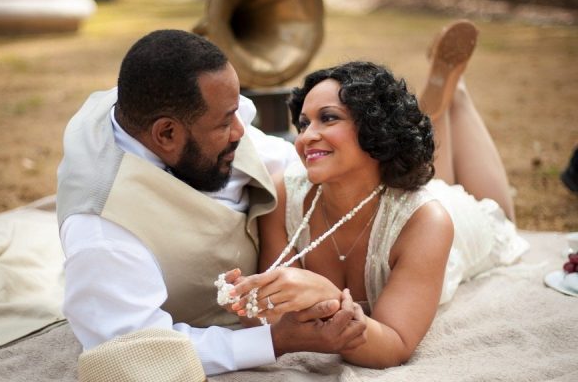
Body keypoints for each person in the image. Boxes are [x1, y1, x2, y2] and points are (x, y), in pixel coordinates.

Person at [56, 29, 366, 377]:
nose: (240, 130)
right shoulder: (102, 231)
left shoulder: (170, 107)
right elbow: (136, 350)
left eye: (236, 112)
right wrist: (276, 341)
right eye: (224, 123)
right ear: (167, 134)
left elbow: (279, 161)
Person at [228, 20, 529, 369]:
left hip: (446, 223)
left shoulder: (428, 220)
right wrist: (250, 303)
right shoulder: (284, 193)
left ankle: (455, 95)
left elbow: (394, 344)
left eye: (328, 118)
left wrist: (326, 296)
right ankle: (441, 101)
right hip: (390, 192)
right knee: (431, 180)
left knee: (498, 217)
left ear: (374, 126)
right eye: (304, 123)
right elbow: (276, 317)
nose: (307, 136)